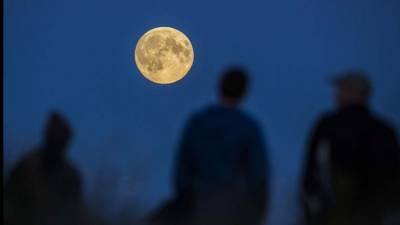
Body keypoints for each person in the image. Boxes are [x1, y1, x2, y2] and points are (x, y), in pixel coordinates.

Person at [150, 67, 269, 225]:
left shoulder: (198, 122)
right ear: (244, 92)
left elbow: (182, 169)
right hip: (234, 208)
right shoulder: (248, 127)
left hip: (197, 203)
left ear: (219, 87)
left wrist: (186, 199)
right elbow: (259, 174)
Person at [302, 70, 400, 225]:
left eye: (340, 89)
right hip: (372, 216)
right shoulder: (384, 130)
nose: (336, 95)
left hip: (333, 215)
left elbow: (312, 173)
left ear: (353, 93)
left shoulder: (329, 125)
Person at [4, 112, 85, 225]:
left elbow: (74, 214)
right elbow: (8, 198)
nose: (56, 142)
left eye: (60, 139)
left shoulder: (70, 177)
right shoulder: (27, 165)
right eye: (53, 136)